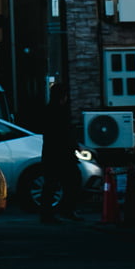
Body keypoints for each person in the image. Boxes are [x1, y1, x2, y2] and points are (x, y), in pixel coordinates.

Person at [37, 81, 78, 222]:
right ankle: (65, 211)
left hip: (51, 154)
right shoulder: (61, 112)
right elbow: (66, 133)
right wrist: (74, 147)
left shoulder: (48, 110)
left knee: (51, 184)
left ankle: (47, 213)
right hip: (62, 155)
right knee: (71, 182)